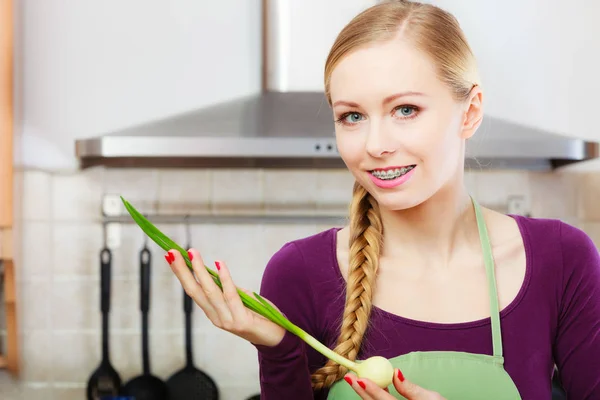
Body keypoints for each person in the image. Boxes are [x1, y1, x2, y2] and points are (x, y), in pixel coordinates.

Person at [165, 1, 600, 399]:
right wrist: (279, 349)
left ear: (469, 112)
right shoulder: (297, 274)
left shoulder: (561, 260)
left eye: (405, 110)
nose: (375, 144)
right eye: (352, 116)